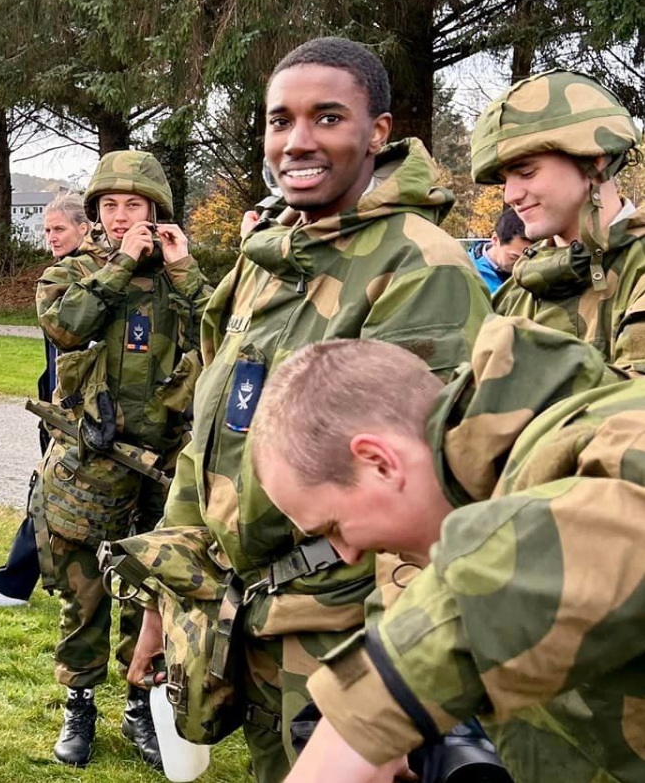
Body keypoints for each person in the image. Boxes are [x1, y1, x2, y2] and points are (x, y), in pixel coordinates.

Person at [124, 37, 491, 783]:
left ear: (378, 132)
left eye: (327, 117)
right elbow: (208, 441)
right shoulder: (272, 259)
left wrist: (396, 700)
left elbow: (426, 500)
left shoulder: (419, 268)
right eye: (278, 119)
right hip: (252, 623)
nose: (297, 141)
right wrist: (166, 597)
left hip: (347, 638)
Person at [250, 317, 645, 783]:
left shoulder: (612, 437)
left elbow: (594, 534)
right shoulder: (464, 502)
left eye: (333, 526)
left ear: (379, 462)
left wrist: (359, 720)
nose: (348, 554)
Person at [34, 151, 206, 769]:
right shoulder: (73, 272)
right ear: (95, 215)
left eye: (134, 205)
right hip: (91, 461)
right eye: (109, 206)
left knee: (151, 593)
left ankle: (140, 708)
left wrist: (181, 268)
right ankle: (78, 707)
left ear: (156, 209)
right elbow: (66, 327)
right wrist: (122, 264)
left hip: (163, 466)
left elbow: (223, 334)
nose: (121, 216)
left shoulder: (179, 276)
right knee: (83, 595)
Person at [475, 69, 645, 369]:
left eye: (526, 172)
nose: (510, 196)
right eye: (504, 180)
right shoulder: (518, 291)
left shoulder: (637, 270)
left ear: (595, 161)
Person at [0, 192, 90, 609]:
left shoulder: (83, 277)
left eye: (59, 228)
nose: (51, 237)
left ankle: (12, 585)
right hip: (59, 404)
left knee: (47, 492)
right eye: (47, 230)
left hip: (75, 411)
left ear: (84, 228)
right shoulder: (69, 272)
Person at [470, 206, 530, 294]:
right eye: (514, 257)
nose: (522, 264)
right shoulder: (468, 271)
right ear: (495, 239)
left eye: (528, 258)